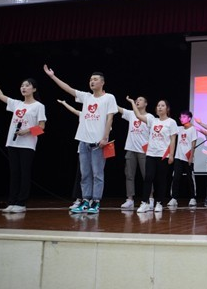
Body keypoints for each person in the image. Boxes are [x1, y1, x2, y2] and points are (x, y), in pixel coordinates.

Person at [43, 65, 117, 214]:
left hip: (99, 143)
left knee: (97, 174)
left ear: (102, 82)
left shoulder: (109, 98)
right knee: (85, 174)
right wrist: (52, 76)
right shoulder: (86, 97)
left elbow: (110, 118)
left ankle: (96, 202)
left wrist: (104, 138)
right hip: (83, 142)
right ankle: (85, 200)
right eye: (90, 79)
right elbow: (68, 89)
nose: (92, 82)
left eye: (95, 79)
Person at [0, 74, 46, 213]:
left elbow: (41, 128)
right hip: (12, 143)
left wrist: (27, 131)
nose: (23, 88)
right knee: (14, 173)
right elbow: (0, 96)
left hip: (27, 144)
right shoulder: (17, 104)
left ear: (34, 89)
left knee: (24, 173)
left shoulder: (39, 106)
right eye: (22, 86)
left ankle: (21, 203)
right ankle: (12, 202)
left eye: (27, 85)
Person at [129, 97, 179, 213]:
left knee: (161, 180)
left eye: (162, 105)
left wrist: (171, 155)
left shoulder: (171, 122)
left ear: (167, 109)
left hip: (163, 155)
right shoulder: (153, 120)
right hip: (151, 154)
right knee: (148, 178)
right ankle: (145, 203)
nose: (160, 107)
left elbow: (173, 140)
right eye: (158, 106)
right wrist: (132, 103)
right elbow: (138, 116)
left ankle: (159, 203)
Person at [117, 96, 154, 210]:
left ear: (146, 103)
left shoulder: (150, 117)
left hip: (143, 150)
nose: (138, 101)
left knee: (146, 176)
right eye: (136, 100)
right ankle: (130, 200)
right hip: (130, 149)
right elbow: (119, 109)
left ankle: (150, 198)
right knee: (129, 175)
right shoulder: (131, 114)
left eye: (140, 100)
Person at [56, 99, 84, 210]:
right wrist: (64, 103)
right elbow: (74, 110)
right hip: (83, 150)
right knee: (81, 175)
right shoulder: (83, 115)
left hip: (96, 150)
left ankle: (91, 200)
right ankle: (79, 199)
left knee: (94, 176)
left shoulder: (101, 117)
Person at [168, 110, 198, 208]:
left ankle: (193, 198)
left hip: (188, 157)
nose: (182, 119)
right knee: (176, 178)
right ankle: (174, 198)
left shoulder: (192, 129)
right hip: (178, 157)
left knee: (190, 178)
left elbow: (193, 144)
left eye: (184, 117)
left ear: (189, 118)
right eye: (181, 117)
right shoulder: (179, 129)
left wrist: (191, 157)